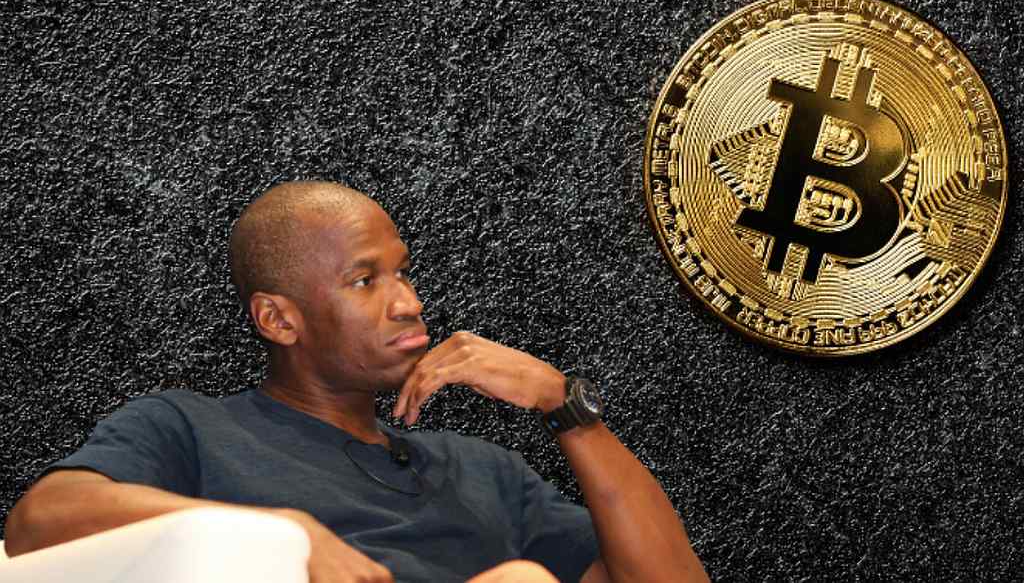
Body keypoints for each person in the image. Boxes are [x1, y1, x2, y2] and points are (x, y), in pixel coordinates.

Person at [5, 180, 708, 582]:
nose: (408, 302)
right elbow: (40, 519)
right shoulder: (192, 428)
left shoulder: (483, 471)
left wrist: (566, 408)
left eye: (402, 272)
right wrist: (282, 530)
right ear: (279, 319)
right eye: (365, 280)